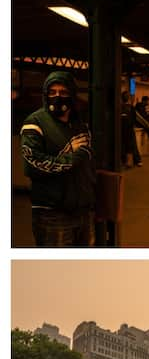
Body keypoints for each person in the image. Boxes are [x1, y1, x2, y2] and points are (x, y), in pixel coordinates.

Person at [20, 70, 95, 246]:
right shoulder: (35, 123)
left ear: (72, 95)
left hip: (83, 212)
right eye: (52, 92)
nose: (57, 97)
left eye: (63, 92)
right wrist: (73, 157)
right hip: (52, 215)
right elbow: (33, 166)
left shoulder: (79, 124)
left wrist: (92, 201)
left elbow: (89, 166)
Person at [120, 91, 142, 167]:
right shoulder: (126, 107)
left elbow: (134, 118)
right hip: (126, 129)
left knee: (129, 145)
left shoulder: (125, 107)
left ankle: (131, 161)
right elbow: (134, 118)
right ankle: (132, 161)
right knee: (129, 145)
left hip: (126, 129)